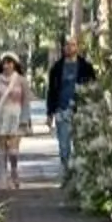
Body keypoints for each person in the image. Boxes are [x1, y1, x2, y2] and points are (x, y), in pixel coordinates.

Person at [44, 40, 95, 177]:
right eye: (66, 45)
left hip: (81, 110)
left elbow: (94, 87)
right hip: (62, 109)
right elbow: (51, 91)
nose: (69, 47)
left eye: (72, 45)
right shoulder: (57, 68)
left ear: (77, 47)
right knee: (64, 145)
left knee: (80, 144)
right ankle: (67, 172)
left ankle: (80, 175)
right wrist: (50, 113)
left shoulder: (86, 67)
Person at [0, 53, 32, 193]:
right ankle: (3, 179)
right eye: (4, 63)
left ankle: (15, 171)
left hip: (16, 117)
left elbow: (26, 102)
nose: (7, 65)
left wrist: (25, 120)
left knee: (13, 150)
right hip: (1, 117)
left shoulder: (22, 81)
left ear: (15, 64)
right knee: (2, 150)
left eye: (10, 62)